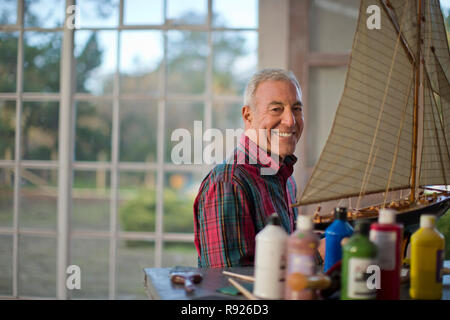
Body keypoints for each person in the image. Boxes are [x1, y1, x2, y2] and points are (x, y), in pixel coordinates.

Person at [193, 68, 304, 268]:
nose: (290, 121)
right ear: (248, 116)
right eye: (276, 109)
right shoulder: (228, 182)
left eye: (296, 108)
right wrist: (312, 257)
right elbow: (228, 284)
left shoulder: (286, 178)